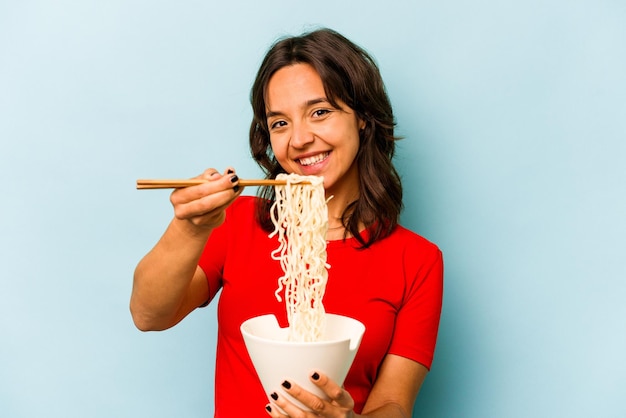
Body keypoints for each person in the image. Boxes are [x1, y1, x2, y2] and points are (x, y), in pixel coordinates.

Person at [131, 28, 443, 417]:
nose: (299, 139)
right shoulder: (236, 221)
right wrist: (189, 226)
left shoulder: (417, 260)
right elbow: (149, 315)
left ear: (362, 118)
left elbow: (394, 403)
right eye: (279, 123)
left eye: (320, 112)